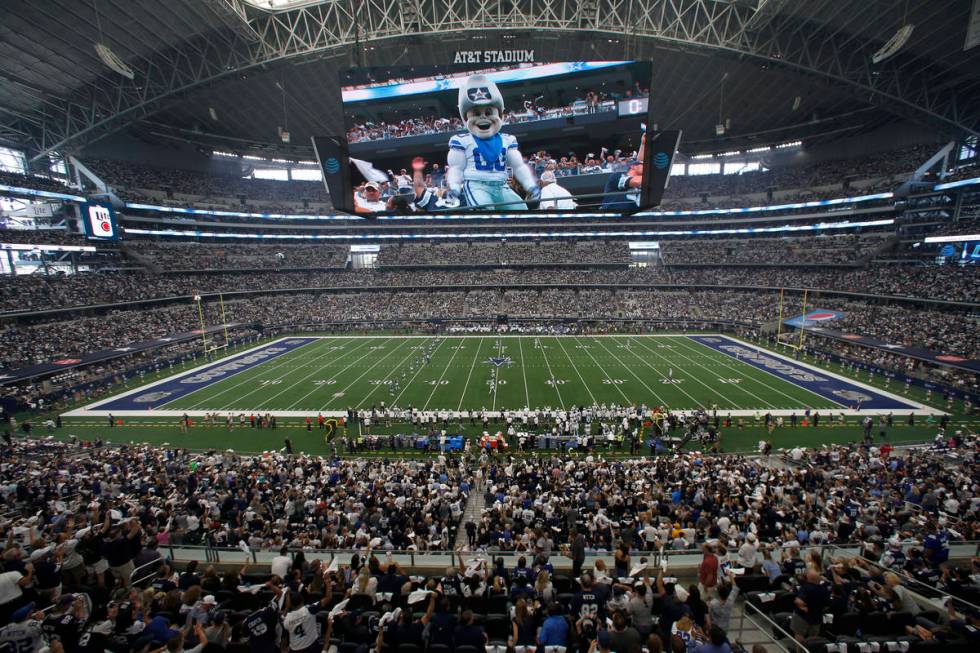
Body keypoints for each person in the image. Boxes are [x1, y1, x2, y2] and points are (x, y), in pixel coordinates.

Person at [447, 75, 540, 211]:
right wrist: (454, 187)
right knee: (486, 212)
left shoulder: (507, 140)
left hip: (502, 185)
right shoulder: (461, 140)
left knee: (521, 212)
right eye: (476, 113)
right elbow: (456, 168)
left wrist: (530, 185)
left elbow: (518, 166)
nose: (483, 117)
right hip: (477, 185)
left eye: (489, 112)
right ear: (466, 117)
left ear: (500, 115)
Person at [791, 570, 829, 642]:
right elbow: (827, 604)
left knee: (799, 634)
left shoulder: (805, 588)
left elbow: (799, 601)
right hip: (817, 617)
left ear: (808, 578)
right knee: (813, 638)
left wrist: (804, 607)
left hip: (803, 616)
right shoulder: (824, 589)